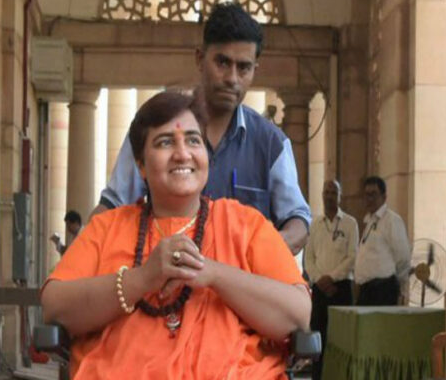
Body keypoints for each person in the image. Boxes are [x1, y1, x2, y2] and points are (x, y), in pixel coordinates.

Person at [40, 91, 311, 380]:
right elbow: (54, 307)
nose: (183, 154)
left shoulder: (247, 225)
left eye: (194, 140)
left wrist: (213, 274)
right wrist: (143, 278)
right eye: (165, 142)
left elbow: (297, 315)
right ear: (141, 165)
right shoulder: (106, 228)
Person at [90, 3, 311, 254]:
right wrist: (86, 250)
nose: (232, 78)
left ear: (254, 70)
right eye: (223, 62)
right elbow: (112, 206)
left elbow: (298, 223)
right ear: (199, 58)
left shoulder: (271, 143)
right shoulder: (155, 125)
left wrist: (256, 255)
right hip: (166, 275)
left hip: (243, 278)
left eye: (243, 67)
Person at [304, 179, 358, 380]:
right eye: (326, 192)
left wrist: (332, 277)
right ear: (322, 195)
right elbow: (308, 259)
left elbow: (352, 256)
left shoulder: (350, 223)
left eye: (333, 192)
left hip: (341, 289)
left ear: (340, 196)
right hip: (320, 290)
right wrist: (320, 280)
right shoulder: (314, 225)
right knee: (319, 340)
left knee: (342, 340)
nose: (329, 196)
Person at [354, 176, 411, 306]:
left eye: (373, 194)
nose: (369, 199)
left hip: (383, 289)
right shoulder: (369, 220)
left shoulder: (392, 220)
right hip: (366, 290)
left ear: (384, 197)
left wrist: (397, 284)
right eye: (367, 195)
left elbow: (403, 257)